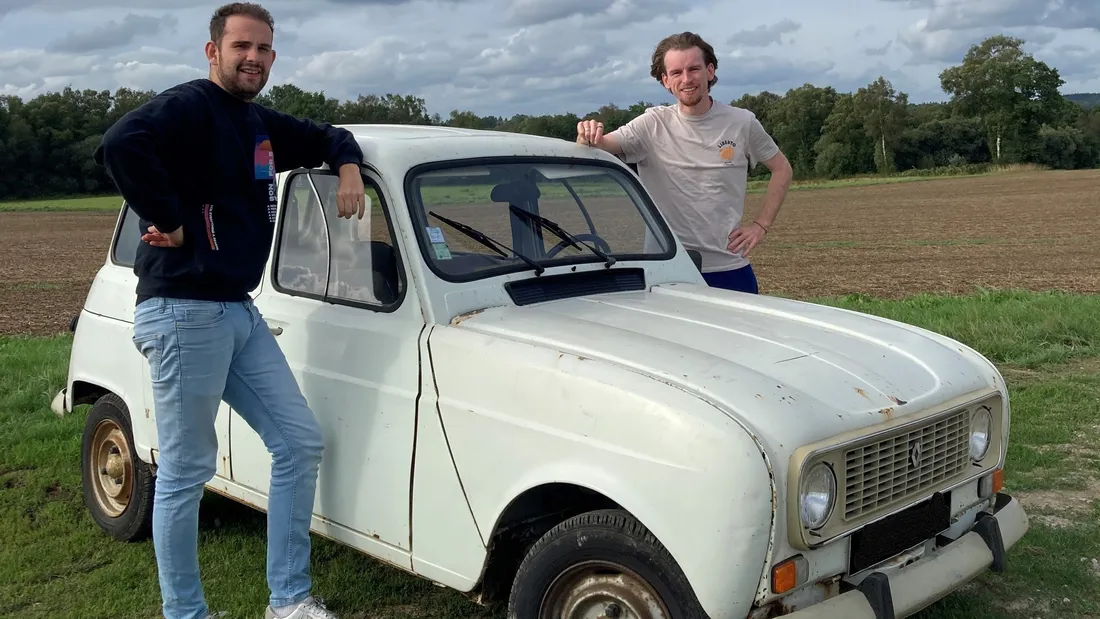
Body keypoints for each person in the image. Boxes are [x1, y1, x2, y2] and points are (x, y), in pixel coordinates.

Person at [92, 3, 364, 619]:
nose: (255, 58)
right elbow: (119, 144)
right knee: (187, 471)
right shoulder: (190, 106)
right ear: (212, 50)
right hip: (184, 310)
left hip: (235, 311)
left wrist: (347, 165)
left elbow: (327, 136)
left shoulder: (258, 122)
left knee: (298, 441)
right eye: (242, 46)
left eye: (265, 49)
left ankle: (288, 601)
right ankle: (186, 613)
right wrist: (168, 218)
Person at [576, 31, 793, 294]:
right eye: (676, 72)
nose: (687, 79)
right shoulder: (652, 124)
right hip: (665, 272)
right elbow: (600, 144)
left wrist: (760, 226)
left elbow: (782, 169)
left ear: (710, 71)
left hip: (728, 268)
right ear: (665, 81)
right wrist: (588, 131)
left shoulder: (742, 123)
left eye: (694, 69)